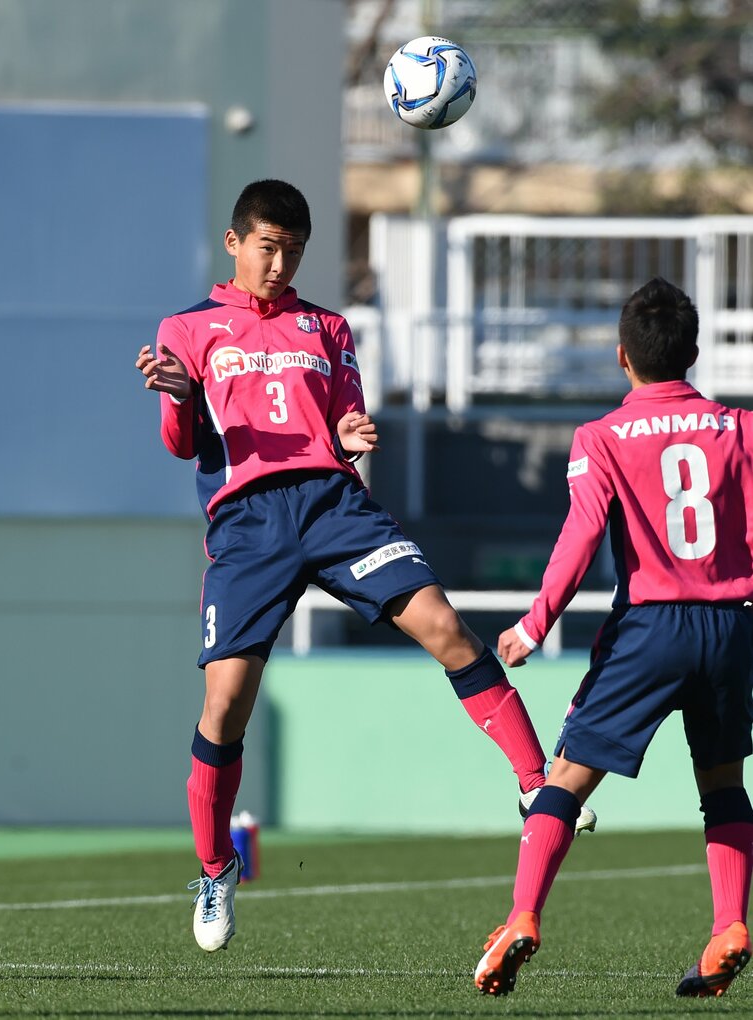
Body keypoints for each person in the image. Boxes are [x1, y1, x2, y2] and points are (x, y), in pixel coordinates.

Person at [135, 179, 595, 955]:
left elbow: (346, 413)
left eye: (294, 252)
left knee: (445, 626)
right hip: (249, 524)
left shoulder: (328, 326)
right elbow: (181, 443)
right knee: (226, 705)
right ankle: (217, 870)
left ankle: (532, 779)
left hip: (334, 507)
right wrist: (178, 397)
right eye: (267, 248)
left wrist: (350, 432)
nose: (279, 265)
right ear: (234, 243)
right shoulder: (187, 329)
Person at [475, 277, 753, 1000]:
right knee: (722, 782)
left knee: (564, 776)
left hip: (649, 627)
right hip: (729, 626)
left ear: (621, 356)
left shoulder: (599, 437)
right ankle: (728, 924)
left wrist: (534, 622)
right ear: (691, 353)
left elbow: (579, 536)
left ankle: (521, 917)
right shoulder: (740, 430)